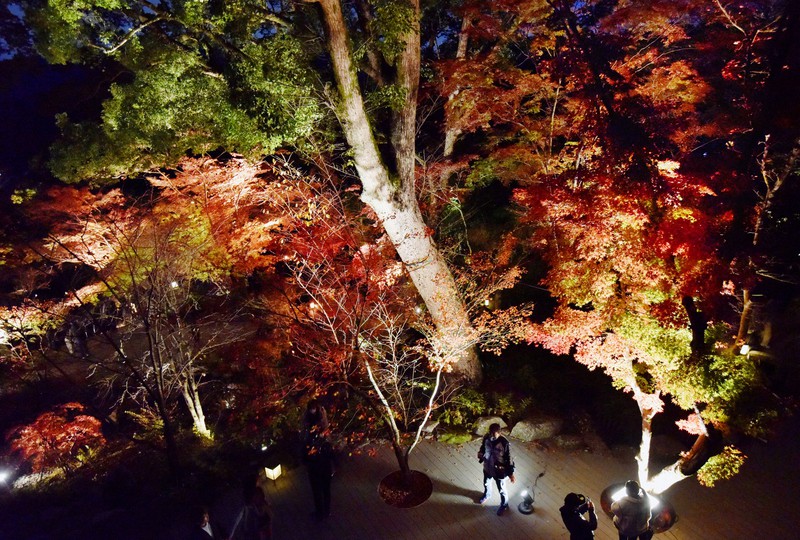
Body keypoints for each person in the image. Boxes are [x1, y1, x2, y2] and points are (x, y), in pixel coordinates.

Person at [477, 422, 515, 515]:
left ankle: (504, 504)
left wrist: (511, 474)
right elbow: (483, 448)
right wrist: (481, 453)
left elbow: (509, 459)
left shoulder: (504, 443)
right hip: (487, 467)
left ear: (500, 433)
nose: (492, 436)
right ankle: (487, 494)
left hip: (499, 471)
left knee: (501, 489)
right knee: (486, 483)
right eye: (491, 433)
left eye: (494, 434)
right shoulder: (486, 438)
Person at [303, 431, 336, 520]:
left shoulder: (309, 443)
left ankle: (320, 511)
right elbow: (332, 456)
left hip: (315, 471)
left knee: (318, 492)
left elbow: (305, 458)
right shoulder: (326, 444)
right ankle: (326, 511)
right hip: (325, 471)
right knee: (325, 491)